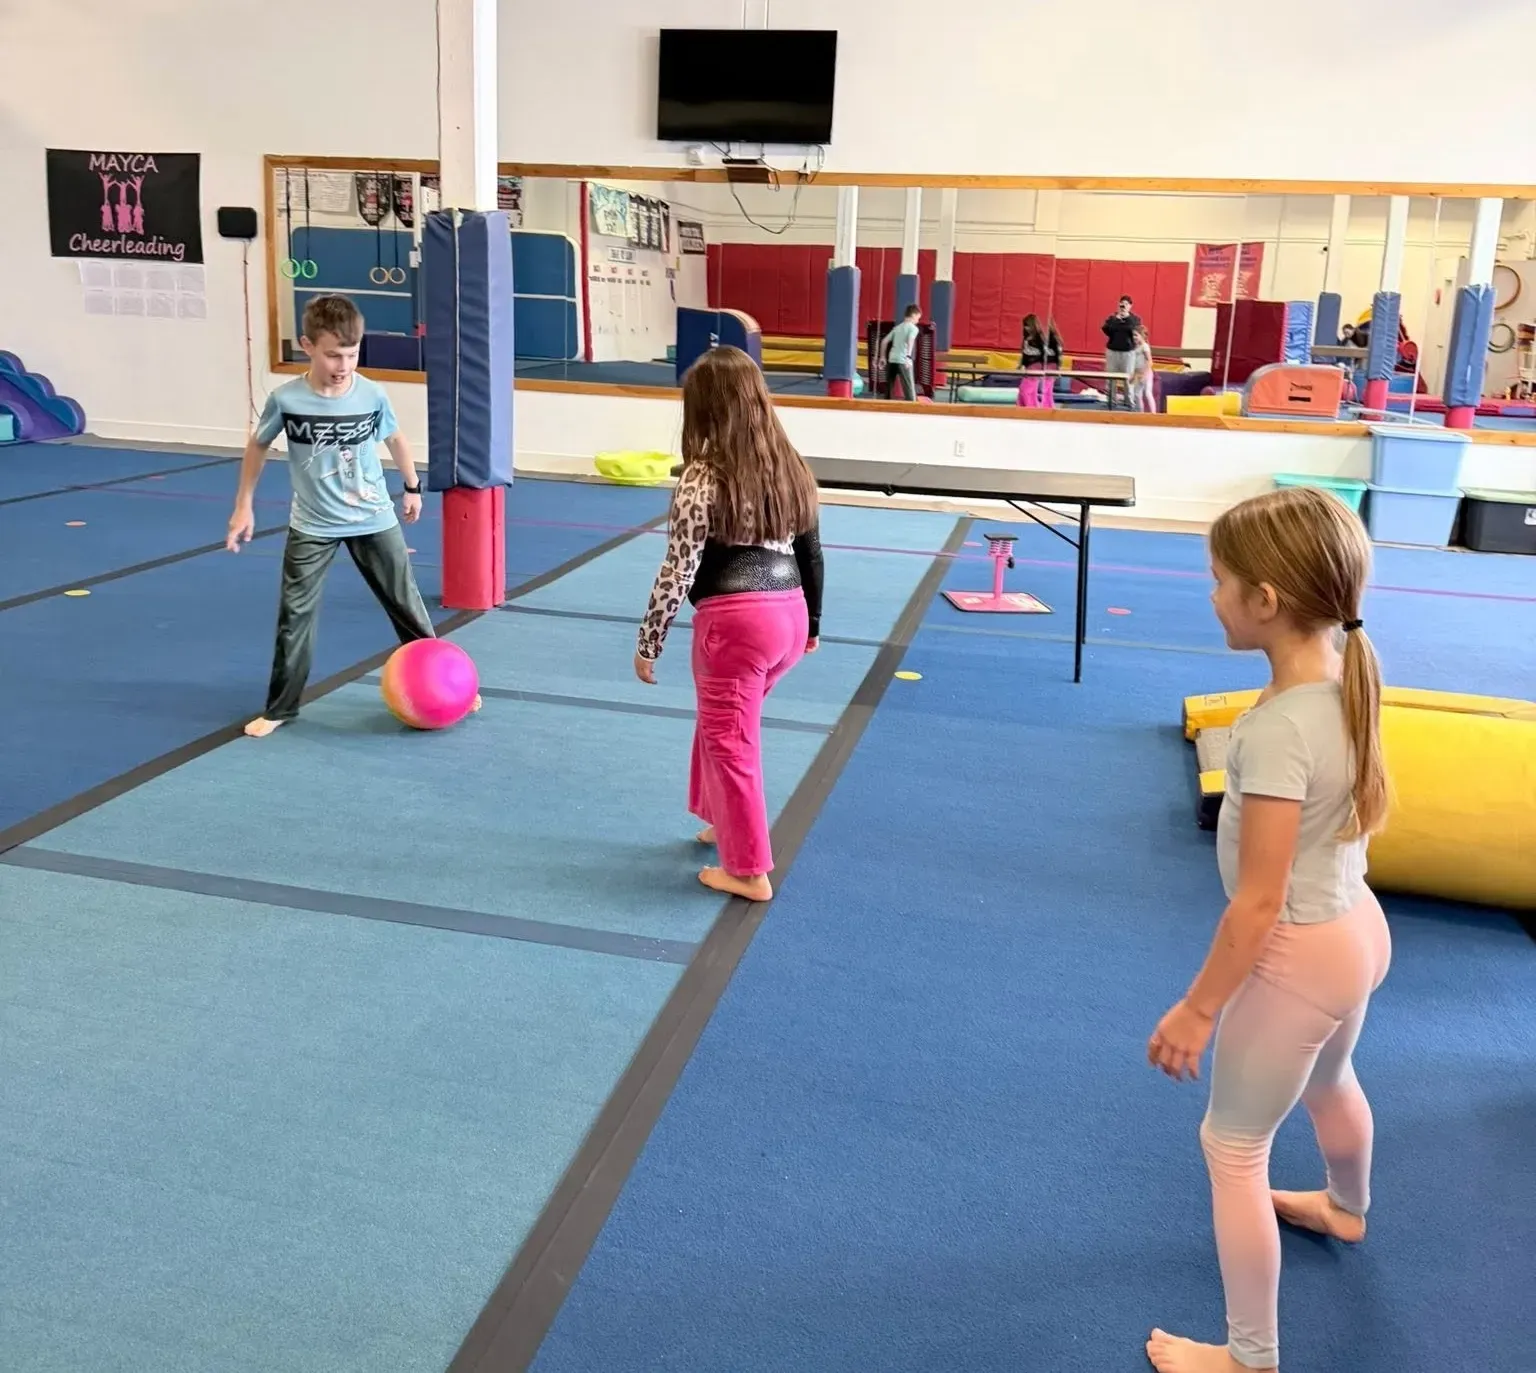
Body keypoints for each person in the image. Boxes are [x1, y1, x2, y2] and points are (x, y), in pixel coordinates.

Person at [1145, 485, 1392, 1373]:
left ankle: (1249, 1355)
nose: (1211, 598)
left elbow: (1258, 902)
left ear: (1266, 600)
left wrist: (1199, 1009)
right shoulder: (1344, 676)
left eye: (1219, 581)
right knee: (1332, 1077)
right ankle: (1347, 1206)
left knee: (1232, 1145)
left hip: (1300, 953)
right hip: (1357, 929)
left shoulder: (1280, 729)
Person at [634, 346, 824, 903]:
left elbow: (679, 566)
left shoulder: (702, 476)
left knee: (730, 738)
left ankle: (748, 870)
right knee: (728, 725)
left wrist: (649, 640)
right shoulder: (789, 465)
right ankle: (720, 818)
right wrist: (813, 623)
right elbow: (812, 552)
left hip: (736, 623)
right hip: (787, 614)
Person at [226, 293, 462, 737]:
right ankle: (280, 708)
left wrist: (411, 488)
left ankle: (446, 689)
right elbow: (258, 445)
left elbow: (395, 438)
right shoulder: (288, 400)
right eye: (333, 354)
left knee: (406, 606)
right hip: (312, 524)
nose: (343, 364)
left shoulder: (371, 393)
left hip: (373, 518)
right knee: (294, 616)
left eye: (351, 354)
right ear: (307, 345)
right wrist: (244, 505)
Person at [1017, 313, 1063, 409]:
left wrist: (1058, 367)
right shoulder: (1029, 338)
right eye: (1024, 326)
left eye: (1027, 326)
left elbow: (1056, 353)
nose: (1026, 328)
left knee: (1031, 389)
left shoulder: (1042, 338)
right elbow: (1025, 354)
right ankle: (1038, 406)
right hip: (1036, 365)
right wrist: (1021, 364)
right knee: (1039, 390)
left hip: (1042, 365)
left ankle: (1033, 407)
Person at [882, 304, 923, 400]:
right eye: (918, 318)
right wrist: (908, 357)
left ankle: (886, 409)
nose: (918, 321)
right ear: (913, 315)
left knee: (888, 390)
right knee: (909, 392)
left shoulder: (897, 328)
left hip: (892, 359)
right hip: (903, 361)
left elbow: (884, 341)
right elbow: (910, 339)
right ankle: (911, 411)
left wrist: (882, 357)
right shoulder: (913, 328)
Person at [1102, 294, 1142, 391]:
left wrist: (1126, 318)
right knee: (1110, 377)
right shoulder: (1113, 318)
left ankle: (1129, 401)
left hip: (1128, 352)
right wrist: (1117, 319)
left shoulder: (1135, 319)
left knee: (1128, 377)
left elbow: (1134, 329)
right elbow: (1106, 329)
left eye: (1126, 304)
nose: (1123, 306)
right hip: (1113, 351)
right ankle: (1111, 399)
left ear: (1130, 306)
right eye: (1121, 304)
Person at [1129, 325, 1157, 413]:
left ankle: (1153, 413)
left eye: (1136, 335)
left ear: (1142, 336)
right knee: (1137, 394)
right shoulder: (1135, 347)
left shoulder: (1145, 346)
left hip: (1146, 373)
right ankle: (1141, 413)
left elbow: (1149, 361)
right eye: (1133, 335)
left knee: (1148, 393)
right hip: (1138, 373)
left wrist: (1145, 373)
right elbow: (1134, 363)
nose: (1134, 337)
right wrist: (1134, 375)